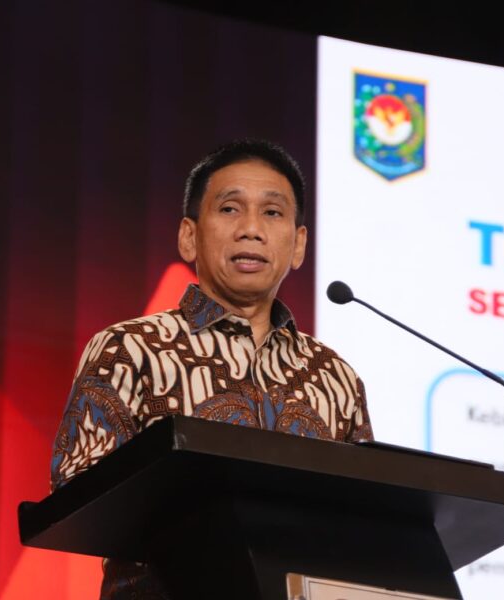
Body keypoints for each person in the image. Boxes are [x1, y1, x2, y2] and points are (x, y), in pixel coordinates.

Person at [50, 139, 374, 599]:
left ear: (298, 244)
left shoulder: (335, 377)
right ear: (189, 236)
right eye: (229, 209)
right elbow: (78, 489)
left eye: (273, 213)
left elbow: (367, 521)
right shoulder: (131, 349)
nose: (251, 230)